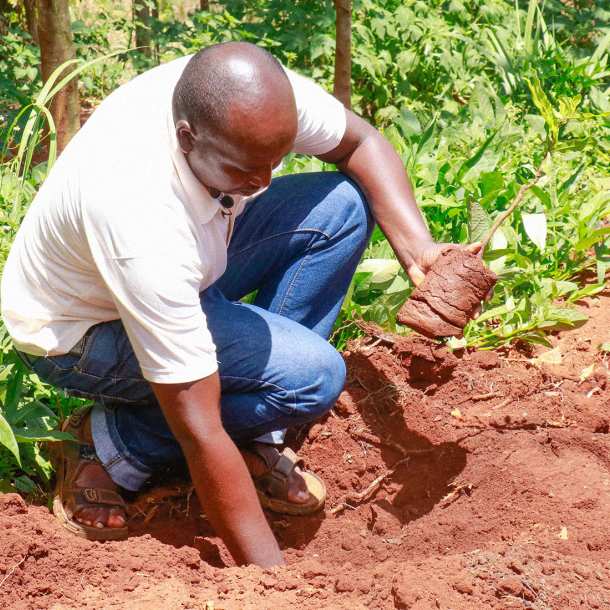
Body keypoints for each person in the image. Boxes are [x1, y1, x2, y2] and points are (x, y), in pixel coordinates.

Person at [1, 42, 479, 567]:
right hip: (83, 332)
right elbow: (198, 425)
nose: (264, 183)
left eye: (275, 162)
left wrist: (422, 253)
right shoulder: (139, 216)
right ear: (188, 137)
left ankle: (257, 435)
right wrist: (271, 580)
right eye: (246, 170)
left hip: (196, 256)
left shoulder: (248, 101)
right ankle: (111, 443)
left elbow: (360, 141)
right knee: (312, 378)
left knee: (340, 209)